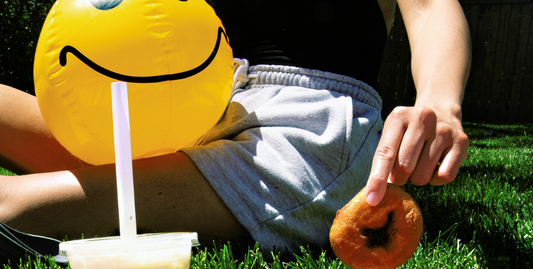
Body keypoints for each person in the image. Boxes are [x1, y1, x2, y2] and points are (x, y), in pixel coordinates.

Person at [0, 0, 470, 256]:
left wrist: (439, 101)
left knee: (12, 206)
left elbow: (430, 8)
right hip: (192, 106)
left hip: (304, 129)